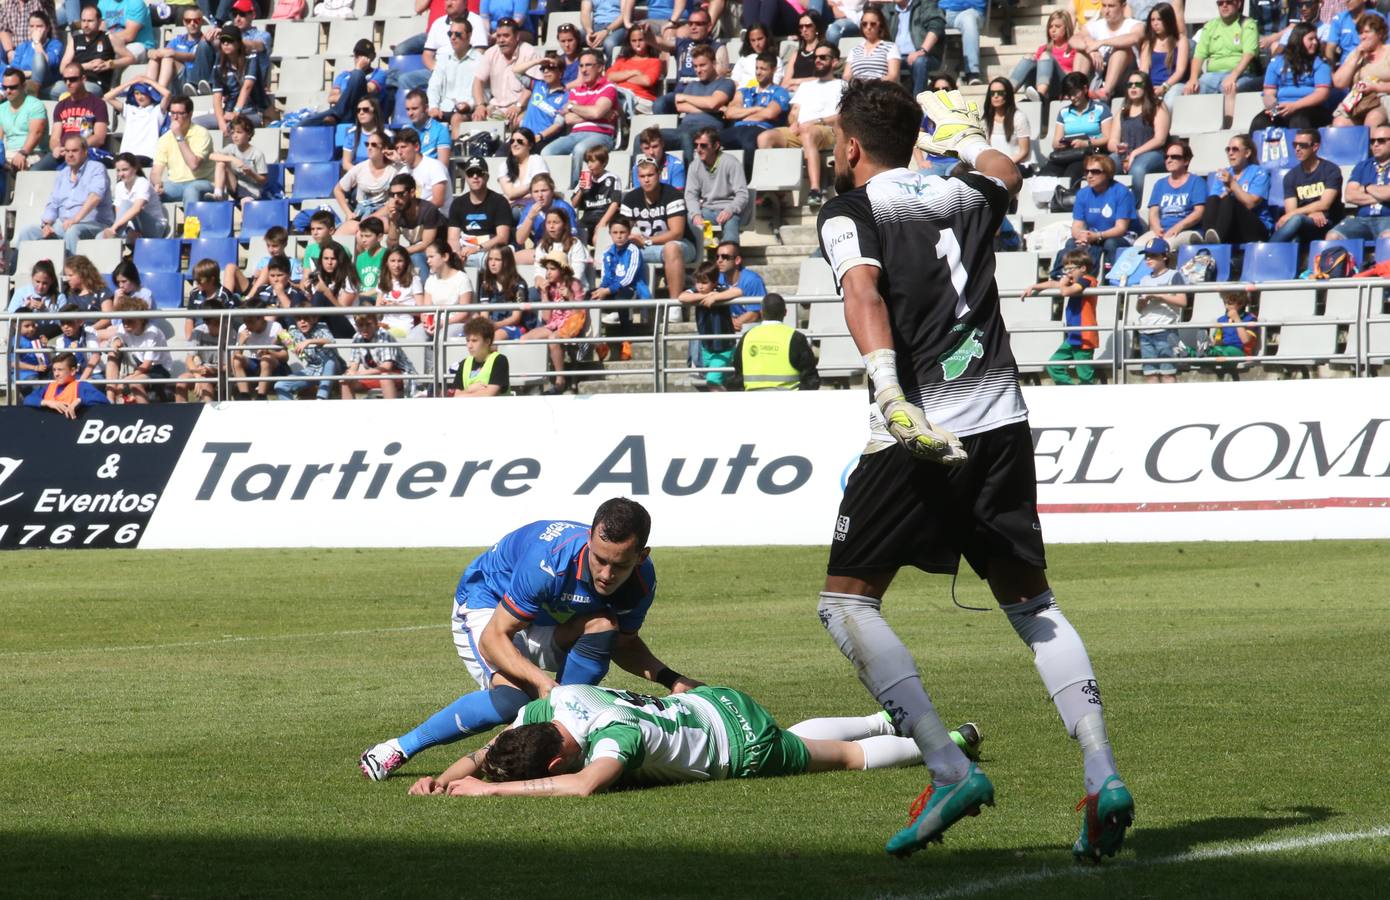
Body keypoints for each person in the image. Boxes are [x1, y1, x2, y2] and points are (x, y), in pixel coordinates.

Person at [814, 81, 1130, 859]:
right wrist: (964, 133)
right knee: (1033, 605)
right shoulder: (963, 190)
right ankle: (1102, 773)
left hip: (922, 429)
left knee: (846, 603)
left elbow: (862, 292)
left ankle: (948, 766)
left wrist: (888, 390)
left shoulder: (851, 210)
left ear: (850, 146)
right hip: (1002, 423)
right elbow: (1006, 170)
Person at [359, 500, 700, 781]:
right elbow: (494, 638)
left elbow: (624, 644)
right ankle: (397, 748)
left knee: (603, 626)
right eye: (599, 560)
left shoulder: (642, 581)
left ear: (641, 556)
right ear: (589, 539)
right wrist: (541, 682)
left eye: (619, 565)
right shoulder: (548, 560)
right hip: (489, 606)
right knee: (513, 698)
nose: (606, 574)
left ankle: (554, 741)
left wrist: (673, 680)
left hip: (544, 621)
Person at [406, 684, 936, 798]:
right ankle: (880, 719)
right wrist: (442, 780)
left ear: (554, 761)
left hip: (739, 744)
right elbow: (488, 752)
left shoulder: (614, 738)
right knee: (797, 736)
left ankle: (947, 743)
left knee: (841, 758)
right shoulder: (552, 704)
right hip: (713, 702)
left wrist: (492, 790)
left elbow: (585, 785)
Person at [757, 44, 844, 207]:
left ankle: (815, 190)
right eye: (816, 57)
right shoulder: (806, 86)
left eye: (823, 57)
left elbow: (842, 117)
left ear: (834, 62)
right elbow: (794, 112)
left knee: (808, 133)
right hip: (801, 129)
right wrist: (793, 122)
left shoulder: (842, 85)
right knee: (765, 137)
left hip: (826, 129)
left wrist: (817, 122)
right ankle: (776, 192)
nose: (817, 60)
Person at [620, 155, 698, 312]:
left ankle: (675, 306)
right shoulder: (630, 198)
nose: (646, 180)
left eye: (650, 175)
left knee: (671, 248)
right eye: (642, 176)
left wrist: (646, 241)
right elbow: (621, 229)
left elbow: (677, 233)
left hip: (682, 246)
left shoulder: (672, 195)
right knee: (620, 249)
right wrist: (628, 238)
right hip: (648, 248)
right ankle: (621, 305)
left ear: (659, 174)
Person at [15, 134, 113, 255]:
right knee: (27, 232)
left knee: (72, 230)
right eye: (67, 151)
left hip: (93, 224)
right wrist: (46, 225)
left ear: (85, 152)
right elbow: (53, 204)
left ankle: (71, 266)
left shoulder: (97, 168)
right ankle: (16, 266)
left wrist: (75, 219)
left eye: (75, 151)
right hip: (62, 226)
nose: (70, 154)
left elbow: (95, 197)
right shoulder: (62, 174)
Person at [1026, 248, 1100, 384]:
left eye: (1071, 269)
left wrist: (1062, 284)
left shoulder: (1087, 280)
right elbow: (1052, 283)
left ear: (1083, 268)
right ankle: (1071, 392)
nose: (1068, 273)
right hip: (1073, 336)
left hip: (1085, 336)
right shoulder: (1072, 282)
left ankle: (1087, 395)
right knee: (1054, 366)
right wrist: (1034, 286)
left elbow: (1066, 292)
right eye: (1066, 269)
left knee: (1085, 377)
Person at [1054, 153, 1135, 276]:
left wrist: (1098, 236)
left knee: (1110, 243)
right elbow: (1077, 225)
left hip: (1120, 236)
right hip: (1093, 235)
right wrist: (1081, 236)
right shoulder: (1082, 194)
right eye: (1087, 172)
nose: (1089, 175)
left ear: (1107, 173)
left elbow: (1121, 228)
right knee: (1071, 243)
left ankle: (1110, 278)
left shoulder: (1122, 192)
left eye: (1095, 172)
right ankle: (1061, 277)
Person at [522, 248, 588, 392]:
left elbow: (578, 313)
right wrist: (544, 294)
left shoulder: (574, 284)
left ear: (563, 270)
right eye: (547, 269)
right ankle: (531, 378)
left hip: (572, 324)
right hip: (555, 324)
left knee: (553, 338)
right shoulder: (549, 287)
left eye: (552, 269)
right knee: (525, 338)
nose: (548, 273)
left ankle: (560, 379)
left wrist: (570, 297)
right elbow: (547, 318)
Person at [658, 44, 735, 164]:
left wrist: (685, 97)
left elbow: (713, 103)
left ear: (714, 63)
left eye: (702, 65)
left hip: (708, 130)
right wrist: (713, 109)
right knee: (648, 137)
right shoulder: (692, 85)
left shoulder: (725, 83)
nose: (698, 70)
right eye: (695, 66)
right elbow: (680, 106)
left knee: (686, 137)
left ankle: (690, 173)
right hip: (683, 128)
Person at [1187, 0, 1261, 123]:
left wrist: (1233, 76)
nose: (1224, 5)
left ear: (1238, 4)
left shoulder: (1247, 24)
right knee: (1194, 88)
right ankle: (1198, 124)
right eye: (1220, 3)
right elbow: (1199, 55)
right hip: (1213, 75)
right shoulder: (1210, 26)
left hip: (1241, 74)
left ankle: (1228, 126)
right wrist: (1193, 78)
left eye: (1229, 2)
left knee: (1230, 87)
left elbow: (1249, 54)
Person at [728, 291, 819, 391]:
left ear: (761, 312)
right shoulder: (796, 338)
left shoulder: (747, 337)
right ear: (785, 312)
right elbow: (810, 378)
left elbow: (738, 376)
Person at [719, 51, 790, 175]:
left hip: (761, 128)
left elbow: (770, 113)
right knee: (710, 140)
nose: (758, 72)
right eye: (757, 68)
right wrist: (757, 109)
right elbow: (730, 113)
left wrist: (743, 114)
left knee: (748, 141)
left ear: (773, 70)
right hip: (738, 129)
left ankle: (748, 181)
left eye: (763, 69)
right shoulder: (744, 91)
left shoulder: (779, 91)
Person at [1252, 22, 1333, 131]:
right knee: (1260, 121)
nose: (1315, 42)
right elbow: (1268, 93)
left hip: (1311, 108)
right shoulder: (1276, 62)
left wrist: (1294, 106)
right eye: (1310, 39)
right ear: (1298, 39)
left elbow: (1322, 93)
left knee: (1299, 119)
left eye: (1316, 39)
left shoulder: (1320, 63)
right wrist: (1274, 109)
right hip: (1282, 108)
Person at [1270, 128, 1344, 243]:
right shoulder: (1290, 176)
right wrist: (1310, 214)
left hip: (1326, 222)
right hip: (1303, 223)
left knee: (1297, 219)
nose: (1297, 149)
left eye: (1302, 145)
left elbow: (1324, 204)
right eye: (1295, 145)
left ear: (1315, 147)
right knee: (1295, 237)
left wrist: (1297, 214)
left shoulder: (1331, 170)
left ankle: (1269, 248)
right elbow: (1290, 210)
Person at [545, 48, 619, 158]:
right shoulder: (575, 91)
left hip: (601, 134)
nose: (584, 70)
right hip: (575, 134)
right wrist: (599, 114)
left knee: (580, 150)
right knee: (547, 152)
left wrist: (572, 107)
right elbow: (569, 119)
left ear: (600, 67)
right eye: (581, 66)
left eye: (588, 65)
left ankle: (575, 171)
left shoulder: (608, 88)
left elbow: (596, 113)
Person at [195, 24, 268, 135]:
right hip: (228, 112)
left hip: (252, 112)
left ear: (238, 43)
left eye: (230, 40)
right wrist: (221, 122)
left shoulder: (251, 57)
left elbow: (247, 87)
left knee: (232, 126)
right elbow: (217, 96)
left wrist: (236, 113)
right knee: (195, 123)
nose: (225, 44)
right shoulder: (219, 62)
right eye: (223, 41)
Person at [1201, 132, 1273, 244]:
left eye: (1235, 149)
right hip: (1232, 227)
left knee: (1229, 200)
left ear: (1247, 153)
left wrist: (1232, 184)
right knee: (1212, 199)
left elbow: (1251, 203)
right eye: (1228, 149)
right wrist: (1226, 193)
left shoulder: (1259, 173)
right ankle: (1208, 239)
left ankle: (1217, 241)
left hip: (1256, 227)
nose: (1230, 153)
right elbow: (1215, 203)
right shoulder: (1223, 174)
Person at [1132, 237, 1186, 383]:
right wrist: (1143, 301)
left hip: (1165, 330)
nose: (1148, 259)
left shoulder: (1174, 275)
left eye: (1153, 255)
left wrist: (1159, 296)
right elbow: (1139, 309)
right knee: (1150, 374)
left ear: (1164, 256)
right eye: (1146, 256)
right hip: (1145, 331)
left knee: (1168, 373)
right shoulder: (1144, 279)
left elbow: (1182, 301)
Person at [34, 63, 108, 169]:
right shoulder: (61, 105)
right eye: (65, 80)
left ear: (83, 79)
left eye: (73, 79)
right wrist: (56, 148)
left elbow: (99, 138)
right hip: (63, 152)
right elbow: (55, 137)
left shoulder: (98, 104)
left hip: (85, 152)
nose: (68, 83)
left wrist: (74, 147)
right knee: (36, 170)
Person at [686, 128, 751, 246]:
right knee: (687, 219)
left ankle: (730, 254)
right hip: (706, 210)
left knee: (731, 227)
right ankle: (707, 247)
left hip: (729, 209)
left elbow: (742, 194)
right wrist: (696, 215)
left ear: (716, 146)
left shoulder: (731, 162)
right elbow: (691, 195)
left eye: (703, 145)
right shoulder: (694, 166)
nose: (698, 149)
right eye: (696, 145)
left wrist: (729, 210)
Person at [301, 38, 386, 128]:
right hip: (339, 113)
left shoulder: (379, 73)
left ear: (372, 57)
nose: (360, 59)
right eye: (358, 55)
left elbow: (367, 91)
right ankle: (338, 115)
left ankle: (337, 115)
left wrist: (358, 69)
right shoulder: (344, 75)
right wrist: (350, 95)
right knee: (302, 125)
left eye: (364, 55)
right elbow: (331, 98)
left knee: (357, 75)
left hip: (362, 113)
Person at [104, 294, 173, 403]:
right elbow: (117, 336)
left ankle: (145, 412)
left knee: (135, 384)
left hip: (159, 369)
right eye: (123, 321)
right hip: (140, 366)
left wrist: (124, 381)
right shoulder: (124, 328)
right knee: (112, 353)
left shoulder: (152, 332)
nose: (126, 325)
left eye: (130, 321)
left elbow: (147, 365)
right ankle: (110, 399)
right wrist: (116, 339)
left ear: (141, 319)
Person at [376, 173, 448, 278]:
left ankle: (423, 288)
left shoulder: (428, 210)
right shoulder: (397, 211)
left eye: (400, 194)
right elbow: (392, 245)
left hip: (438, 253)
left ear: (412, 192)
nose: (396, 199)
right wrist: (393, 221)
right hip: (415, 252)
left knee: (416, 257)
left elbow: (426, 244)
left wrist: (401, 252)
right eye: (392, 195)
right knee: (387, 258)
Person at [1138, 138, 1206, 247]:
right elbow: (1153, 212)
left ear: (1186, 161)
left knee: (1166, 245)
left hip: (1187, 230)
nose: (1169, 160)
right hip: (1162, 230)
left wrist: (1178, 227)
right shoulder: (1160, 184)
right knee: (1138, 245)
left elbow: (1199, 212)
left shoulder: (1197, 182)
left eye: (1174, 157)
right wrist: (1157, 229)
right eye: (1166, 157)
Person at [448, 156, 515, 267]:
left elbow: (502, 238)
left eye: (479, 173)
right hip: (464, 251)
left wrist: (477, 248)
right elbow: (452, 238)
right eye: (470, 173)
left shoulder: (500, 202)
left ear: (487, 177)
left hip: (491, 251)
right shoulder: (457, 204)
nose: (475, 176)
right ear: (466, 177)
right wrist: (457, 253)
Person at [471, 17, 541, 123]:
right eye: (498, 36)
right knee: (477, 120)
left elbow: (534, 86)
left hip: (522, 107)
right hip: (495, 107)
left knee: (518, 122)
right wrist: (480, 105)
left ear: (517, 36)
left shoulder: (529, 52)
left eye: (506, 36)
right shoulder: (491, 53)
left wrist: (518, 106)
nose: (501, 40)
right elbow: (478, 81)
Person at [678, 261, 735, 388]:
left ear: (714, 282)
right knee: (716, 382)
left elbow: (738, 291)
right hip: (707, 347)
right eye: (698, 282)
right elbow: (682, 297)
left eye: (704, 282)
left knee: (712, 381)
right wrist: (706, 296)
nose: (700, 286)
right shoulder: (697, 291)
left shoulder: (720, 288)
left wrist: (716, 297)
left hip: (724, 347)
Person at [333, 130, 404, 232]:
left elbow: (411, 178)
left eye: (374, 145)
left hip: (385, 213)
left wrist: (399, 159)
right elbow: (338, 190)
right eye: (367, 144)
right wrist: (348, 213)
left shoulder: (395, 169)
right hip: (361, 212)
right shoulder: (360, 168)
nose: (369, 148)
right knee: (343, 232)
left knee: (380, 227)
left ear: (384, 148)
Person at [1329, 123, 1390, 240]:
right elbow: (1349, 196)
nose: (1375, 144)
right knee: (1333, 236)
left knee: (1388, 237)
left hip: (1388, 219)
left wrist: (1366, 187)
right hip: (1361, 220)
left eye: (1381, 140)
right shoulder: (1362, 166)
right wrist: (1382, 194)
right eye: (1372, 141)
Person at [1071, 0, 1141, 101]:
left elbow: (1134, 38)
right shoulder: (1095, 25)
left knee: (1121, 50)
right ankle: (1076, 90)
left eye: (1111, 6)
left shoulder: (1135, 25)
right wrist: (1091, 50)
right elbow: (1074, 40)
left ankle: (1105, 92)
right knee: (1081, 53)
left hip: (1126, 78)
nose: (1106, 11)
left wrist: (1101, 43)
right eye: (1104, 6)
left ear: (1123, 6)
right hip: (1098, 73)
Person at [151, 95, 215, 206]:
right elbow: (155, 172)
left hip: (202, 181)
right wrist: (157, 183)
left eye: (180, 113)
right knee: (147, 193)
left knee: (191, 190)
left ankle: (191, 218)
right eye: (172, 113)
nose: (175, 117)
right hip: (175, 184)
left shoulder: (201, 134)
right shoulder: (164, 139)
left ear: (190, 114)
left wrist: (179, 136)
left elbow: (193, 165)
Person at [1012, 10, 1086, 103]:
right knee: (1029, 58)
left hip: (1063, 86)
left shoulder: (1074, 47)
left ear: (1066, 28)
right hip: (1043, 84)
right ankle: (1007, 92)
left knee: (1046, 56)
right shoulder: (1043, 48)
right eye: (1050, 27)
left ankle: (1040, 95)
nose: (1053, 30)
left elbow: (1076, 75)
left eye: (1057, 26)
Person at [1331, 14, 1390, 127]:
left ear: (1380, 33)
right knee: (1339, 123)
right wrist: (1356, 56)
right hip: (1358, 101)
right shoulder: (1355, 54)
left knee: (1372, 119)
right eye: (1360, 33)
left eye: (1367, 32)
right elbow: (1339, 83)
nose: (1363, 37)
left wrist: (1375, 87)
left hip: (1384, 98)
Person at [60, 6, 133, 97]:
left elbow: (130, 58)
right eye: (83, 21)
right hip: (72, 81)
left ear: (99, 22)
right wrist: (86, 66)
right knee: (52, 89)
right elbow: (62, 68)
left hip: (95, 83)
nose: (86, 25)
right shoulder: (75, 40)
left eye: (90, 21)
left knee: (82, 91)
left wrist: (110, 64)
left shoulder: (108, 38)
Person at [592, 215, 648, 331]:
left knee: (621, 298)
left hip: (632, 288)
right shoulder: (607, 251)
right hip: (612, 288)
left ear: (629, 233)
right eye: (615, 232)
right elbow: (606, 276)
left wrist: (607, 291)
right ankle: (594, 335)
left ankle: (626, 333)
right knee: (590, 296)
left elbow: (629, 279)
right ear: (610, 234)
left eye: (622, 232)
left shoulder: (633, 250)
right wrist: (601, 289)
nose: (619, 236)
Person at [341, 312, 415, 398]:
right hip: (373, 375)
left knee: (385, 377)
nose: (364, 328)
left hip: (401, 375)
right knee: (345, 380)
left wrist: (360, 373)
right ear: (356, 326)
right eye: (360, 325)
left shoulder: (384, 335)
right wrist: (350, 374)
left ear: (376, 324)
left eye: (368, 324)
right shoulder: (357, 338)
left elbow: (387, 367)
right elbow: (354, 365)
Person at [427, 15, 481, 130]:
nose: (453, 37)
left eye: (458, 34)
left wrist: (469, 104)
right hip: (444, 109)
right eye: (450, 34)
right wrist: (433, 107)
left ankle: (456, 143)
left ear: (469, 36)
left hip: (468, 111)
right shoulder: (443, 59)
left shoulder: (480, 60)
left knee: (457, 118)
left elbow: (484, 92)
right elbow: (434, 86)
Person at [0, 66, 47, 198]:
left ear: (23, 86)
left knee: (18, 163)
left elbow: (36, 133)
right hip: (8, 153)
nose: (8, 91)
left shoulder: (35, 105)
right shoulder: (1, 108)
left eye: (13, 87)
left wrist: (23, 153)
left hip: (32, 152)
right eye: (5, 87)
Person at [276, 307, 341, 401]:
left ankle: (321, 398)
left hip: (333, 368)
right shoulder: (294, 331)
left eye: (306, 318)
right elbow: (286, 344)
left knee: (329, 361)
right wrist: (280, 338)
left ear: (314, 319)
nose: (302, 321)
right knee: (280, 385)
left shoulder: (321, 326)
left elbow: (330, 340)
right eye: (298, 319)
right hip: (312, 368)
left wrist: (309, 341)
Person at [884, 0, 946, 97]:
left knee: (919, 62)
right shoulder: (888, 8)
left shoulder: (925, 4)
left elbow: (936, 27)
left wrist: (922, 50)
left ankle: (918, 101)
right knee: (879, 62)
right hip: (895, 56)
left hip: (925, 55)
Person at [228, 299, 288, 400]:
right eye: (245, 321)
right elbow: (234, 358)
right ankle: (244, 395)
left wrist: (269, 351)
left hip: (274, 366)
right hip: (254, 365)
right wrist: (240, 343)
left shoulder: (276, 327)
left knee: (265, 359)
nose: (247, 325)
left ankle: (261, 396)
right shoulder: (242, 329)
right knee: (237, 359)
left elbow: (285, 356)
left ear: (261, 318)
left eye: (251, 321)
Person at [101, 77, 169, 165]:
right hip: (126, 156)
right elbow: (107, 96)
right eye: (136, 93)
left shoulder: (157, 111)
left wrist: (148, 81)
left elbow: (167, 94)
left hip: (147, 156)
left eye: (143, 93)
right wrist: (131, 82)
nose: (139, 97)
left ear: (150, 94)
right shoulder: (130, 110)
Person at [144, 6, 212, 94]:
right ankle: (148, 92)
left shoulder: (206, 41)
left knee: (168, 58)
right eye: (188, 21)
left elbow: (194, 56)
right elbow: (164, 52)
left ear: (202, 22)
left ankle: (160, 92)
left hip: (196, 79)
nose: (192, 23)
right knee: (156, 59)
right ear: (184, 22)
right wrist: (152, 52)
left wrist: (173, 53)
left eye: (196, 20)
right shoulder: (178, 40)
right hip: (180, 80)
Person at [24, 351, 109, 416]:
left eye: (60, 370)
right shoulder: (48, 387)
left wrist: (80, 400)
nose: (56, 374)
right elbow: (28, 400)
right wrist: (48, 403)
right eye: (54, 370)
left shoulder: (81, 386)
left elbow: (104, 401)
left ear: (72, 371)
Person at [475, 244, 533, 340]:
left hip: (516, 327)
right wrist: (486, 326)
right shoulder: (486, 284)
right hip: (492, 325)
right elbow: (484, 314)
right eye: (490, 259)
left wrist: (496, 325)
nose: (492, 263)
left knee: (495, 337)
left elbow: (516, 318)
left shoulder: (519, 285)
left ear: (507, 262)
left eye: (497, 260)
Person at [105, 151, 167, 239]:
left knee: (127, 204)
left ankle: (114, 235)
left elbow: (136, 209)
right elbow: (119, 215)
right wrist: (129, 231)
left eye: (125, 169)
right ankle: (117, 236)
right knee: (100, 236)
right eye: (118, 170)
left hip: (155, 228)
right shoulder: (119, 186)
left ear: (135, 169)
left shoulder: (143, 183)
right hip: (133, 228)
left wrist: (114, 228)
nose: (121, 174)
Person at [513, 53, 568, 149]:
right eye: (543, 68)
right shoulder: (537, 85)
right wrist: (537, 62)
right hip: (523, 136)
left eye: (551, 67)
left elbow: (558, 124)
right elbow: (516, 71)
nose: (546, 71)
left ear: (560, 72)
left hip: (543, 141)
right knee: (500, 154)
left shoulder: (566, 96)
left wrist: (540, 136)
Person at [570, 143, 622, 246]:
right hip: (587, 218)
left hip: (605, 216)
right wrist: (581, 191)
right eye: (588, 161)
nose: (589, 165)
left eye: (593, 161)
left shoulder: (613, 178)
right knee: (571, 235)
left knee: (598, 239)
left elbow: (615, 203)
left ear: (603, 163)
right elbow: (574, 204)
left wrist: (603, 222)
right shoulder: (584, 179)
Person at [514, 172, 579, 252]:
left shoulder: (564, 207)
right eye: (536, 191)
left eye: (544, 190)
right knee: (515, 257)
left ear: (552, 191)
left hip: (561, 249)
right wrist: (530, 218)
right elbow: (520, 240)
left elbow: (572, 237)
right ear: (531, 194)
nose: (540, 195)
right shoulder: (530, 209)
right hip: (539, 249)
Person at [173, 301, 223, 404]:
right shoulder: (198, 331)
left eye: (218, 322)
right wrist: (198, 376)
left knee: (205, 385)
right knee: (181, 382)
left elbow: (229, 366)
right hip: (199, 371)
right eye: (209, 322)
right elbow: (189, 360)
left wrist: (212, 370)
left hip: (219, 373)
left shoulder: (230, 333)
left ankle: (208, 411)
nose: (217, 326)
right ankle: (180, 412)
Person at [605, 22, 660, 115]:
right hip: (621, 95)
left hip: (641, 100)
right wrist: (634, 72)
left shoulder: (654, 62)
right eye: (633, 41)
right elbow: (609, 77)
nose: (637, 44)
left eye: (641, 40)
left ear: (648, 40)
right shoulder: (622, 60)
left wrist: (620, 78)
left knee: (611, 102)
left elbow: (647, 81)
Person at [209, 113, 266, 202]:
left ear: (249, 134)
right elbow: (212, 156)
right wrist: (232, 159)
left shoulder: (257, 154)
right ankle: (218, 194)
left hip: (252, 191)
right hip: (235, 188)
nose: (235, 136)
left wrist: (251, 173)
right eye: (233, 133)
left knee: (245, 202)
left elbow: (263, 180)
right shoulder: (231, 148)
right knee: (221, 162)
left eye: (239, 132)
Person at [450, 313, 510, 396]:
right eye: (468, 340)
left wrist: (464, 394)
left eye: (474, 341)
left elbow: (489, 394)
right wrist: (469, 389)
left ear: (487, 341)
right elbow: (456, 396)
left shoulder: (499, 360)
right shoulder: (464, 363)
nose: (469, 345)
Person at [1139, 2, 1187, 105]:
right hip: (1151, 86)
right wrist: (1148, 88)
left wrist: (1164, 87)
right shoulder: (1148, 43)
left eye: (1159, 19)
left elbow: (1180, 71)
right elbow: (1143, 70)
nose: (1155, 23)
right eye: (1152, 20)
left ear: (1168, 20)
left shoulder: (1180, 40)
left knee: (1170, 99)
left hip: (1173, 85)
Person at [712, 240, 765, 332]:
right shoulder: (716, 278)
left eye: (725, 257)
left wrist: (732, 323)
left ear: (737, 260)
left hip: (749, 328)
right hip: (727, 326)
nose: (719, 260)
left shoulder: (752, 280)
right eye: (717, 257)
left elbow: (755, 313)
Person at [1204, 290, 1259, 377]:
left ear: (1241, 303)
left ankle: (1206, 352)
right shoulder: (1222, 319)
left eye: (1229, 303)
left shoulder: (1250, 318)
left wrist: (1237, 319)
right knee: (1215, 350)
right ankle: (1189, 352)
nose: (1226, 306)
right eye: (1225, 303)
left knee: (1219, 352)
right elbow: (1217, 342)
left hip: (1240, 351)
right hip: (1222, 349)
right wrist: (1217, 338)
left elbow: (1245, 340)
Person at [9, 12, 64, 98]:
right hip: (24, 84)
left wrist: (37, 42)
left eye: (39, 26)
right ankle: (30, 91)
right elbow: (14, 71)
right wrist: (31, 73)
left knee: (39, 57)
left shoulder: (55, 44)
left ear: (47, 28)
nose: (35, 30)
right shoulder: (23, 46)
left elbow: (48, 63)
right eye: (31, 26)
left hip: (47, 83)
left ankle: (32, 91)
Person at [981, 78, 1031, 172]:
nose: (996, 96)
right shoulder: (986, 120)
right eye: (992, 93)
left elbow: (1024, 151)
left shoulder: (1019, 117)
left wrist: (1004, 164)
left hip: (1016, 165)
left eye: (1000, 93)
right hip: (993, 166)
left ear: (1008, 95)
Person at [843, 6, 900, 83]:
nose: (868, 27)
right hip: (857, 88)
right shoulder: (854, 50)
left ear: (880, 25)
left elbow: (893, 76)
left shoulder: (891, 47)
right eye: (864, 24)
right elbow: (846, 76)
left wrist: (870, 83)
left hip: (880, 88)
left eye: (873, 24)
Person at [377, 246, 423, 337]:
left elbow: (422, 311)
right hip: (385, 325)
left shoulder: (414, 280)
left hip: (404, 327)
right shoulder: (382, 280)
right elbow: (377, 309)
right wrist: (382, 305)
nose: (396, 265)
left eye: (400, 261)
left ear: (406, 262)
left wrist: (398, 306)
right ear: (386, 262)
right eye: (392, 261)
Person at [498, 126, 547, 203]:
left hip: (534, 204)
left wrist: (520, 195)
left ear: (530, 145)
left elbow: (542, 186)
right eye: (512, 141)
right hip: (512, 207)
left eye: (520, 141)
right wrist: (532, 187)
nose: (515, 144)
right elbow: (510, 194)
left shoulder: (536, 160)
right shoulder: (504, 166)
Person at [402, 89, 451, 165]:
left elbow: (443, 166)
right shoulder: (405, 129)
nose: (410, 113)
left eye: (414, 108)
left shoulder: (441, 130)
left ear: (426, 108)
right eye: (408, 109)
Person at [729, 24, 784, 88]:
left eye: (760, 39)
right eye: (753, 40)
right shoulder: (743, 59)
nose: (757, 44)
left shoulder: (776, 60)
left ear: (767, 38)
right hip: (741, 92)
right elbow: (734, 81)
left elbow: (773, 84)